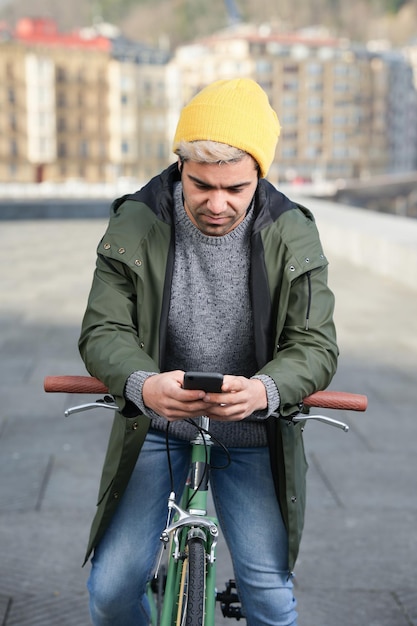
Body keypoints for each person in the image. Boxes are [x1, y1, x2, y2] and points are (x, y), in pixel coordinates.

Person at [78, 78, 338, 626]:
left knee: (269, 598)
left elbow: (314, 343)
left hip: (252, 431)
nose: (217, 204)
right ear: (179, 167)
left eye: (236, 189)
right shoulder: (137, 220)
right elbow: (103, 329)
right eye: (201, 185)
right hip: (158, 426)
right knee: (109, 592)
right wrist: (142, 385)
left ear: (259, 177)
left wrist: (264, 391)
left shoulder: (292, 232)